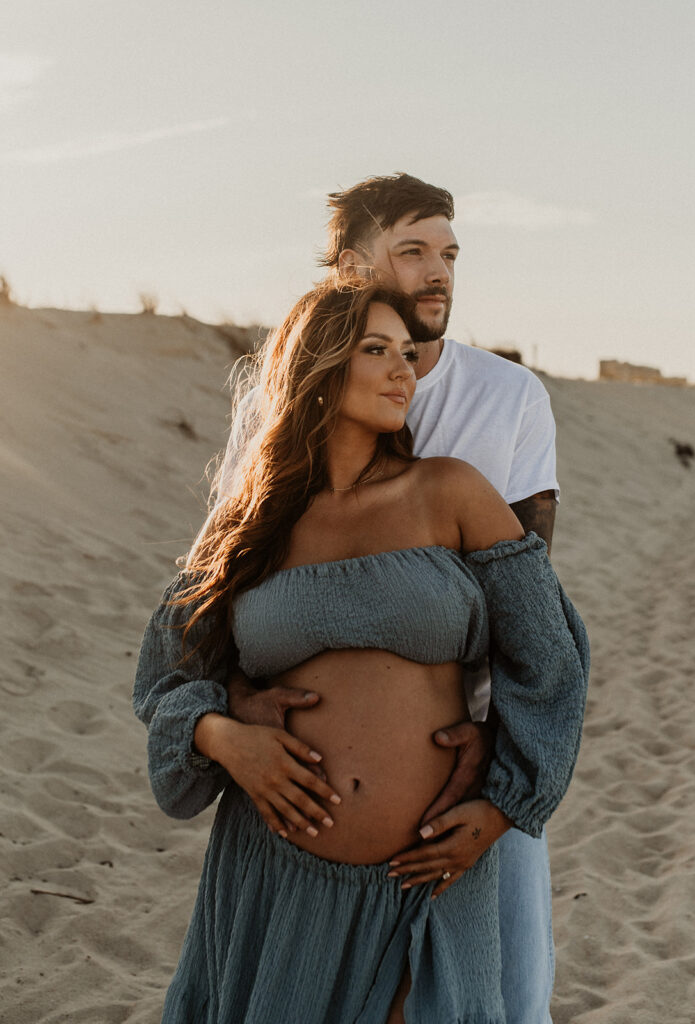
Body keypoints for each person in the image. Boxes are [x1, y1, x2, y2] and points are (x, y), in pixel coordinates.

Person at [134, 278, 588, 1023]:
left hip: (429, 877)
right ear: (317, 365)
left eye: (409, 353)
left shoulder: (452, 493)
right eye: (375, 350)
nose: (403, 369)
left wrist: (505, 807)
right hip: (272, 877)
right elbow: (166, 676)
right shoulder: (251, 522)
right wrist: (227, 738)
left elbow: (550, 661)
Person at [220, 174, 562, 1023]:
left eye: (449, 253)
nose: (439, 273)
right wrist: (230, 711)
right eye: (412, 251)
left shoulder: (507, 398)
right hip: (294, 831)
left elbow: (534, 613)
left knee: (509, 1002)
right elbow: (215, 601)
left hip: (469, 779)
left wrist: (501, 759)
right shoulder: (279, 408)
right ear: (350, 268)